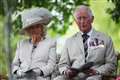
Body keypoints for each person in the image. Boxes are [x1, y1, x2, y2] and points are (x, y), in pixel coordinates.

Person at [54, 5, 117, 80]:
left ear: (92, 19)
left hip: (95, 76)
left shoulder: (105, 39)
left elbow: (111, 64)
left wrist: (97, 71)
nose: (82, 21)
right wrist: (66, 71)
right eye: (79, 18)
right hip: (73, 77)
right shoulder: (69, 41)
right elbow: (63, 64)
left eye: (84, 18)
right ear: (75, 21)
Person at [12, 7, 57, 80]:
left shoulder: (51, 43)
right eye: (31, 27)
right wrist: (19, 72)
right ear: (27, 30)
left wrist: (37, 72)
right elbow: (15, 64)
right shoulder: (21, 43)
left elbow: (51, 65)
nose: (34, 30)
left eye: (37, 27)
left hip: (40, 77)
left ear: (42, 28)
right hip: (21, 77)